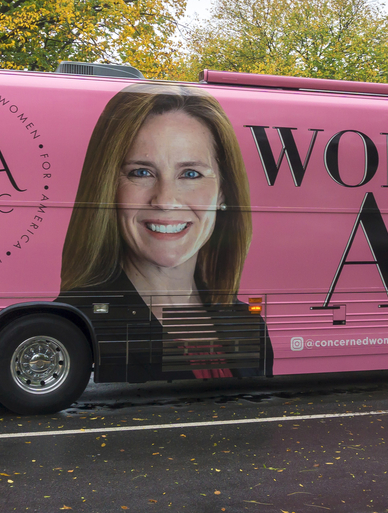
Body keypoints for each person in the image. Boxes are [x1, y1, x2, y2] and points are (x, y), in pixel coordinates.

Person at [57, 83, 271, 382]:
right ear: (108, 188)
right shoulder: (76, 327)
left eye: (191, 174)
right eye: (141, 172)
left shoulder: (248, 326)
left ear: (223, 192)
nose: (166, 200)